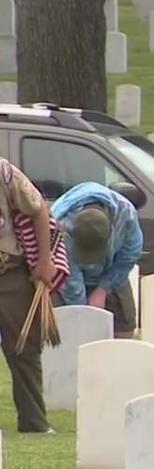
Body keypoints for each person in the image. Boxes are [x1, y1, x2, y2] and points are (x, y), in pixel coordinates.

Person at [0, 158, 58, 434]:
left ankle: (34, 422)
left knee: (24, 348)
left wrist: (44, 262)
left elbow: (38, 211)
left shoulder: (4, 173)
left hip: (8, 272)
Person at [51, 183, 143, 339]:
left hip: (111, 269)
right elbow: (69, 275)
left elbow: (129, 256)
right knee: (67, 326)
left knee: (125, 322)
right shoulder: (60, 223)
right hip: (67, 275)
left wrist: (103, 289)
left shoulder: (126, 215)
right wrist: (85, 313)